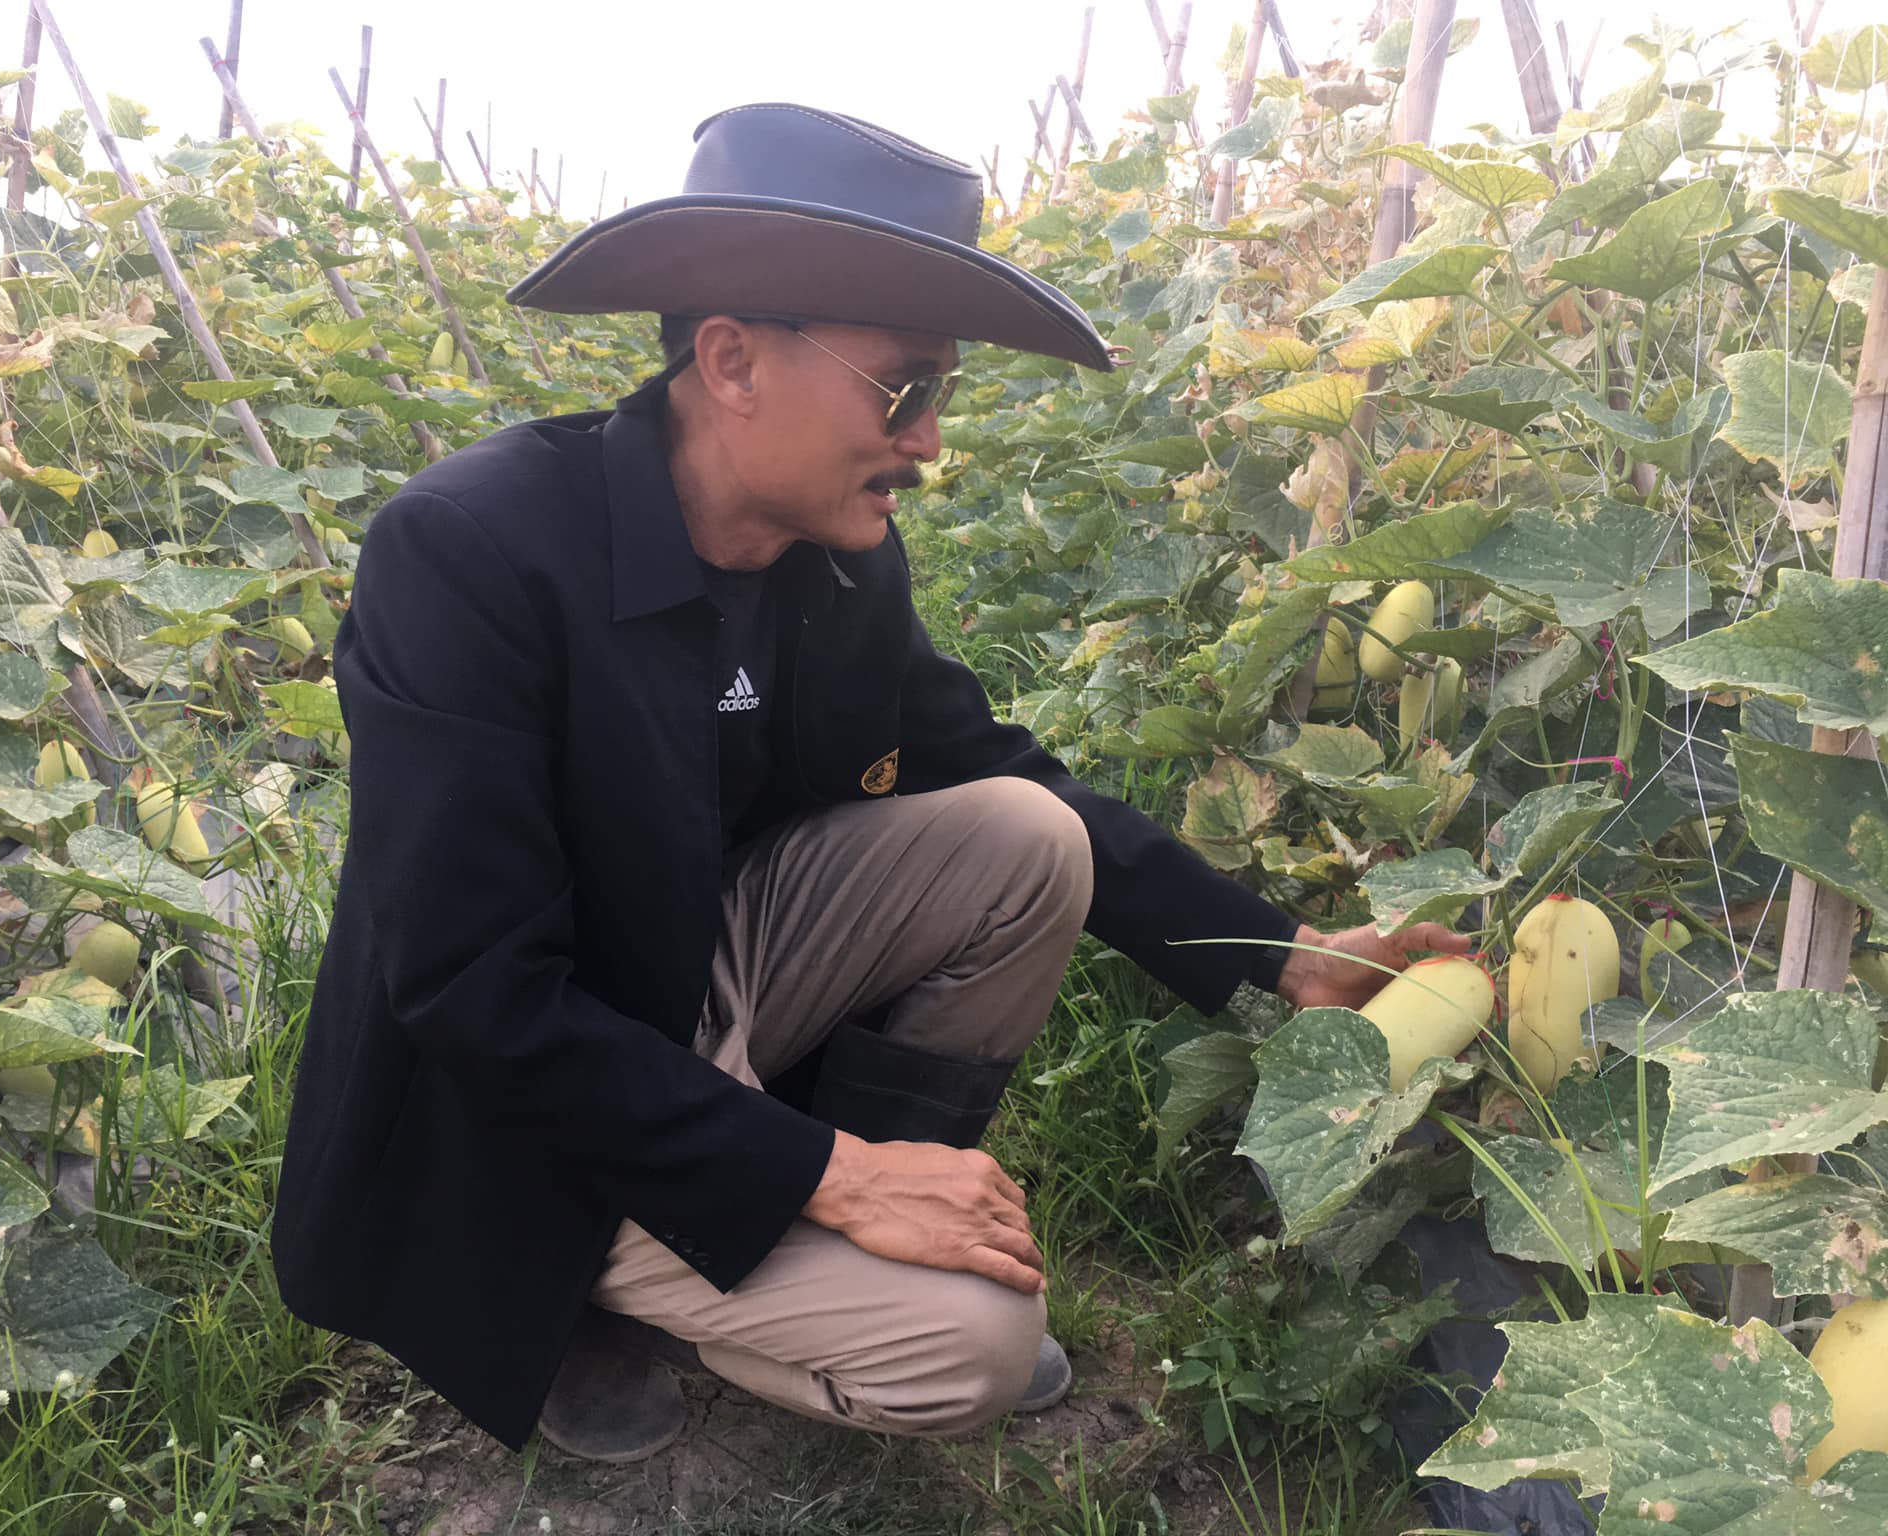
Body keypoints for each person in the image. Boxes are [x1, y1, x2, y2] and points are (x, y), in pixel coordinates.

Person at [271, 102, 1468, 1464]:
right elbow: (472, 991)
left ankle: (795, 1233)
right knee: (975, 1348)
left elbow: (989, 763)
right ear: (732, 360)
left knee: (1026, 840)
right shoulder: (471, 552)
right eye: (905, 390)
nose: (932, 441)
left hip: (700, 995)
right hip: (512, 1107)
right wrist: (833, 1173)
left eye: (941, 394)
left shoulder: (832, 560)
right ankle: (593, 1286)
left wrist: (1281, 953)